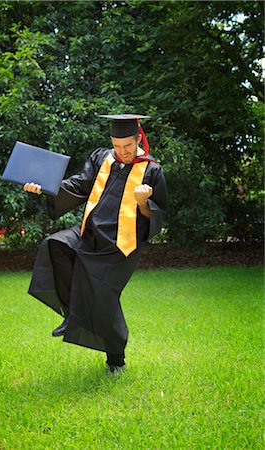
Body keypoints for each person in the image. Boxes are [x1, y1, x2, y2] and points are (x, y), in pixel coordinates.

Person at [24, 114, 168, 374]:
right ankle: (73, 315)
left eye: (127, 146)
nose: (122, 152)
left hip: (120, 246)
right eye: (117, 145)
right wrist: (45, 187)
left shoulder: (152, 170)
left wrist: (143, 202)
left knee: (104, 298)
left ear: (139, 139)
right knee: (56, 245)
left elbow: (156, 218)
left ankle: (116, 359)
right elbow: (79, 185)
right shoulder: (103, 158)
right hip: (89, 232)